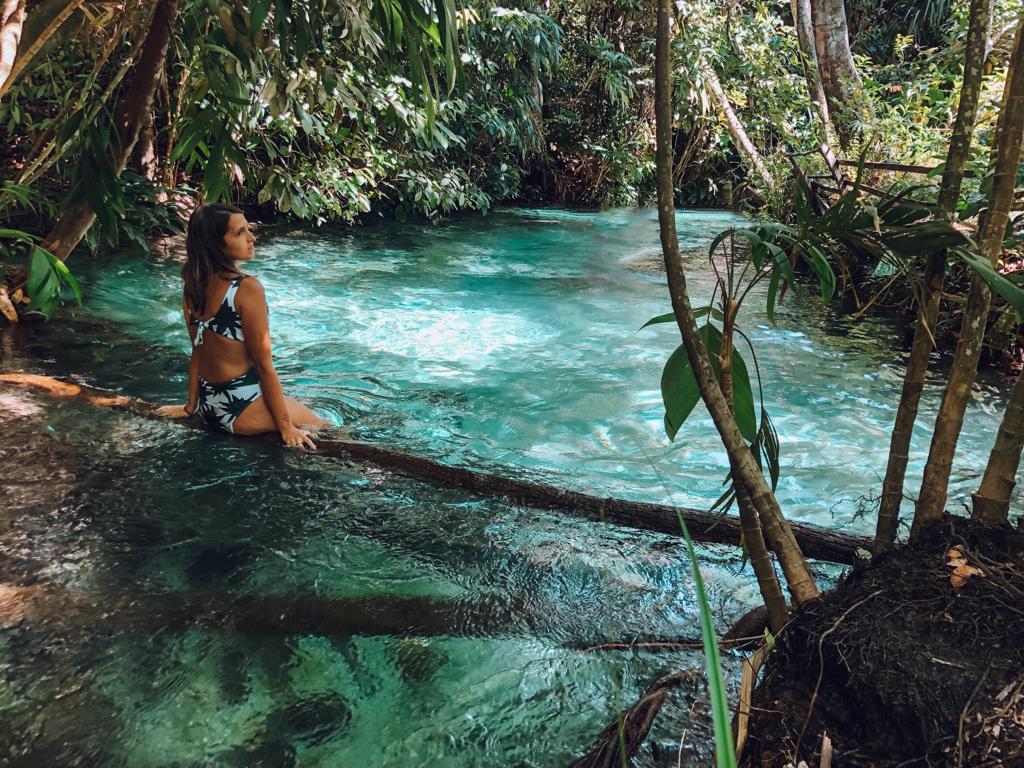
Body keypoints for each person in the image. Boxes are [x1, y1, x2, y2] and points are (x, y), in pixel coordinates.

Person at [157, 203, 327, 450]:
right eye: (239, 233)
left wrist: (190, 407)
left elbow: (198, 349)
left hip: (209, 405)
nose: (251, 237)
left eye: (248, 229)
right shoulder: (247, 288)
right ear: (217, 244)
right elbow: (263, 364)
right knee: (322, 425)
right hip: (240, 410)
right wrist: (286, 427)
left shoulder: (193, 286)